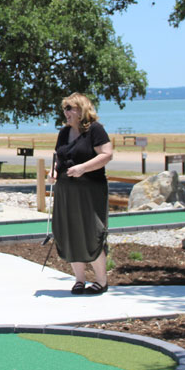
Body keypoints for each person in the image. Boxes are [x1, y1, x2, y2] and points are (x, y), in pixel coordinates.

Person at [50, 92, 114, 295]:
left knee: (91, 233)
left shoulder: (95, 130)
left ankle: (101, 281)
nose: (66, 113)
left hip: (90, 190)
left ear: (81, 109)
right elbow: (58, 158)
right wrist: (53, 171)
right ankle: (79, 280)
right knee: (70, 232)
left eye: (69, 108)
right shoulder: (63, 133)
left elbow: (106, 155)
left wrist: (83, 168)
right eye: (64, 109)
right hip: (65, 191)